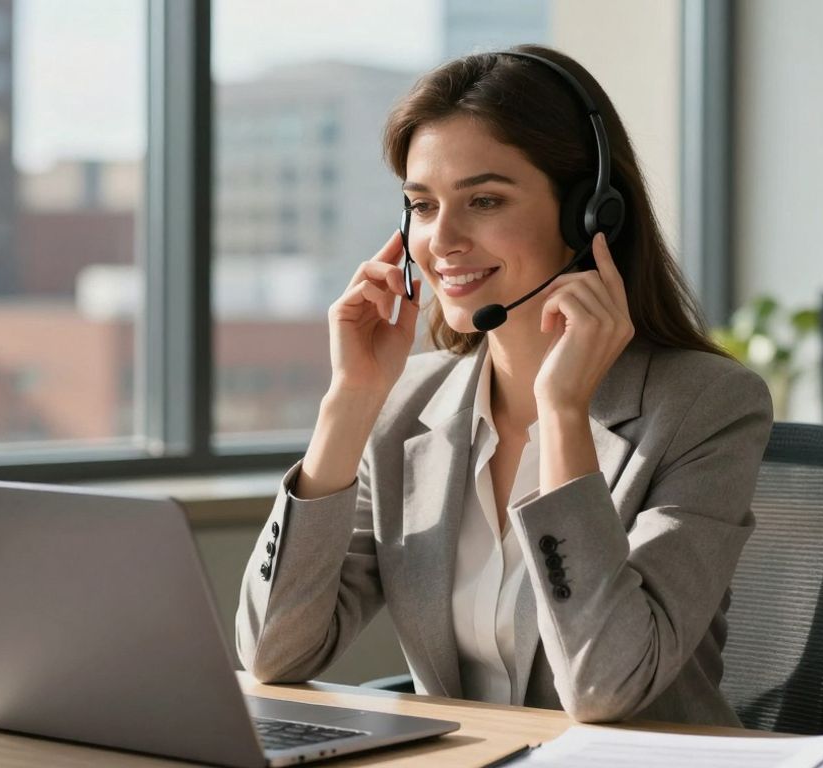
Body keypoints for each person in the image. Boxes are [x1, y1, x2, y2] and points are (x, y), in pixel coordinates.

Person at [234, 45, 772, 727]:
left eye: (484, 200)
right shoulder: (406, 405)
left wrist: (565, 414)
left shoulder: (705, 405)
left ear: (590, 214)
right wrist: (350, 401)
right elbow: (275, 653)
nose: (443, 240)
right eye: (423, 206)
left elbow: (608, 686)